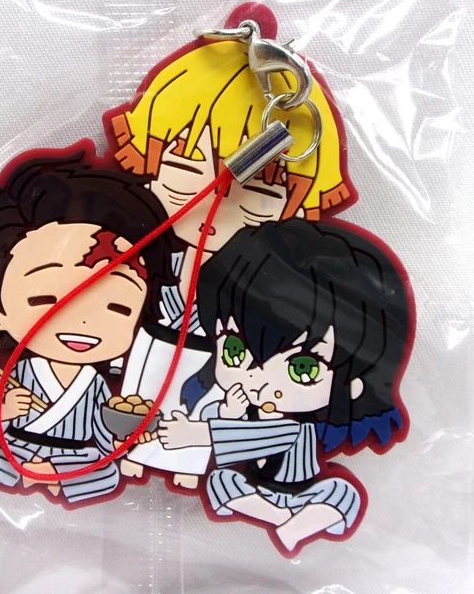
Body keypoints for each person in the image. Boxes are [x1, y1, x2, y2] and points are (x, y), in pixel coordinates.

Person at [103, 34, 355, 489]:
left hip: (215, 376)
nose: (213, 200)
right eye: (183, 168)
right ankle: (134, 456)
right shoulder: (150, 262)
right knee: (137, 410)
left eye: (259, 191)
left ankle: (186, 469)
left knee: (199, 424)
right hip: (147, 359)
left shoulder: (263, 289)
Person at [158, 220, 413, 553]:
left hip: (307, 493)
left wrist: (199, 434)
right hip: (257, 492)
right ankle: (283, 520)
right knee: (221, 481)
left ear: (355, 383)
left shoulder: (296, 428)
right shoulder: (244, 406)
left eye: (302, 368)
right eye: (235, 350)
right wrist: (226, 412)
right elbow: (231, 435)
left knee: (342, 493)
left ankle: (293, 522)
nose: (258, 379)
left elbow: (261, 437)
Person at [0, 145, 179, 504]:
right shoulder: (17, 374)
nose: (83, 320)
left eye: (117, 307)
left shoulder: (95, 385)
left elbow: (103, 437)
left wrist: (126, 435)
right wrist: (4, 410)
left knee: (104, 469)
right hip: (15, 447)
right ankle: (33, 473)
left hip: (71, 457)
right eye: (45, 299)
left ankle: (57, 477)